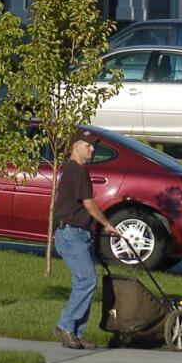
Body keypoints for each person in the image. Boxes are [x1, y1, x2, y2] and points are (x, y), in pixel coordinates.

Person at [52, 136, 118, 350]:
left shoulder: (73, 170)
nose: (92, 150)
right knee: (87, 281)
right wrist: (107, 224)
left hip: (78, 234)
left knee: (85, 282)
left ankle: (76, 333)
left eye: (93, 147)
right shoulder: (77, 170)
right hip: (71, 234)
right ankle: (65, 325)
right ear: (75, 147)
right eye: (88, 146)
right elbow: (89, 205)